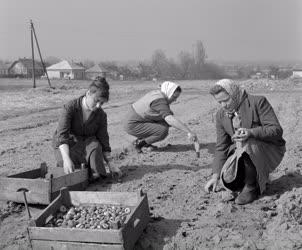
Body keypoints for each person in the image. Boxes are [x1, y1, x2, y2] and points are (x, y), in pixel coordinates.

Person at [204, 79, 286, 205]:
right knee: (229, 179)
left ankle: (251, 187)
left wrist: (251, 132)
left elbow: (276, 130)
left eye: (226, 100)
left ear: (234, 93)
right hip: (240, 151)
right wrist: (215, 176)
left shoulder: (258, 102)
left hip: (267, 149)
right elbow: (222, 146)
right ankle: (253, 180)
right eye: (219, 102)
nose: (223, 105)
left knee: (246, 141)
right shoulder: (221, 115)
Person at [52, 77, 121, 180]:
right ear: (88, 93)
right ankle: (81, 170)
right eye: (96, 101)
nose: (98, 106)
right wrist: (66, 159)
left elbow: (103, 140)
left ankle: (92, 173)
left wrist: (111, 164)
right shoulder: (70, 108)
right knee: (65, 165)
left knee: (96, 148)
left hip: (88, 146)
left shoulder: (101, 115)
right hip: (69, 145)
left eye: (102, 103)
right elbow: (62, 136)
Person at [124, 81, 197, 153]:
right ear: (169, 92)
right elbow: (170, 119)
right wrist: (189, 132)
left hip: (135, 120)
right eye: (174, 97)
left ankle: (143, 142)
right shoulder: (159, 101)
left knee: (166, 121)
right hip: (133, 124)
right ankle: (139, 145)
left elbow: (169, 116)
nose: (175, 100)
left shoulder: (158, 94)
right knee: (162, 131)